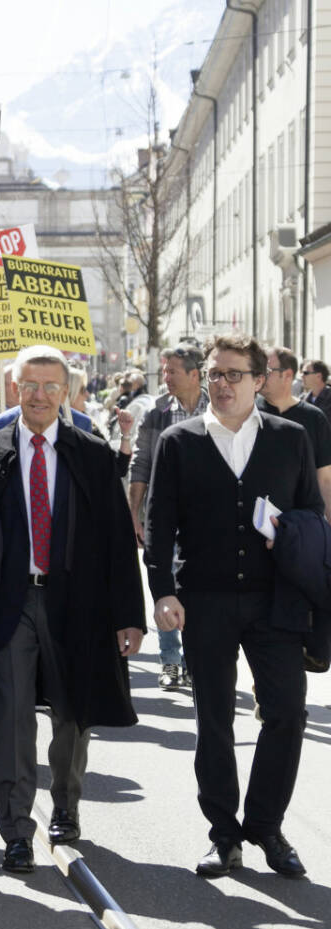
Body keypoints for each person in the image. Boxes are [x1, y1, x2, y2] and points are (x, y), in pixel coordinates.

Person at [0, 346, 144, 874]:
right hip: (9, 604)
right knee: (11, 720)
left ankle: (66, 802)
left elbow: (120, 543)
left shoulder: (93, 454)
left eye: (49, 387)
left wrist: (129, 615)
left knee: (72, 714)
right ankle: (15, 829)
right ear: (14, 390)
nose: (38, 396)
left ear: (67, 393)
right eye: (29, 386)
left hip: (77, 605)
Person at [145, 335, 320, 879]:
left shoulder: (292, 438)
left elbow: (312, 513)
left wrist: (291, 534)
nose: (221, 384)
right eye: (214, 374)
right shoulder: (179, 440)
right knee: (213, 719)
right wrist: (163, 591)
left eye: (233, 375)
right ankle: (224, 835)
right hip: (206, 599)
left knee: (287, 713)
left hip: (276, 601)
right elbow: (159, 523)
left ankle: (266, 825)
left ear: (260, 380)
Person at [127, 345, 208, 691]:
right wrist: (134, 513)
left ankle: (194, 659)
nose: (166, 379)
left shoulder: (219, 406)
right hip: (166, 514)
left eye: (172, 371)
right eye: (164, 372)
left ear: (194, 374)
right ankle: (171, 661)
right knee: (164, 584)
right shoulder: (157, 412)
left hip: (206, 516)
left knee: (197, 587)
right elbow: (141, 463)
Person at [259, 347, 331, 519]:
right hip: (254, 524)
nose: (259, 376)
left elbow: (325, 479)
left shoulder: (314, 418)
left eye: (266, 371)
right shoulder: (248, 413)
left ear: (288, 375)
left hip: (301, 525)